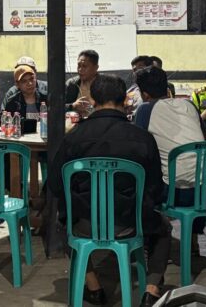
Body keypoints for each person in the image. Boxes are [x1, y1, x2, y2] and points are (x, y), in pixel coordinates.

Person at [49, 74, 171, 307]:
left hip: (84, 223)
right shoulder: (143, 138)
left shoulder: (74, 138)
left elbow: (56, 184)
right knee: (163, 227)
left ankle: (94, 287)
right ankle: (152, 290)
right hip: (131, 223)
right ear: (125, 100)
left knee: (62, 221)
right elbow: (155, 189)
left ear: (92, 100)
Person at [134, 66, 206, 239]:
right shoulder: (189, 105)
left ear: (144, 94)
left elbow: (140, 150)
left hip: (177, 194)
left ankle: (154, 238)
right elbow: (203, 139)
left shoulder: (145, 110)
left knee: (140, 182)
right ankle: (193, 237)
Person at [4, 65, 49, 131]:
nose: (30, 83)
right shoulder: (12, 103)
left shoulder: (46, 98)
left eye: (31, 79)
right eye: (24, 81)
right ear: (17, 84)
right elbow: (7, 127)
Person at [65, 49, 99, 117]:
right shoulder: (71, 84)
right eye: (79, 66)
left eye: (84, 66)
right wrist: (73, 106)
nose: (80, 69)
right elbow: (57, 107)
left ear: (96, 68)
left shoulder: (105, 85)